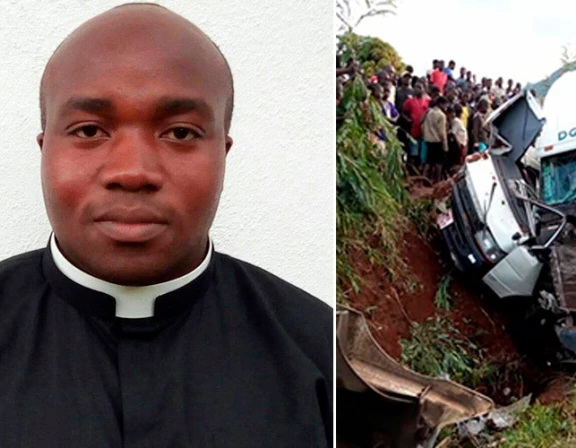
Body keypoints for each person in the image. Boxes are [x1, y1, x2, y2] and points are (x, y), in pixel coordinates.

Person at [0, 4, 332, 447]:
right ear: (46, 150)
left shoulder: (320, 352)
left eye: (179, 133)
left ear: (222, 153)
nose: (132, 172)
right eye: (89, 131)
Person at [403, 83, 431, 171]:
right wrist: (408, 120)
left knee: (422, 154)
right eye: (415, 88)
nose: (417, 90)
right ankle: (411, 171)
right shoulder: (409, 101)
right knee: (413, 153)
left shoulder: (428, 101)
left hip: (424, 132)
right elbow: (404, 113)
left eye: (419, 88)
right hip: (413, 130)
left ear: (423, 89)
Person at [422, 96, 449, 183]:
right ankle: (437, 181)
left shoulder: (429, 112)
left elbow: (423, 124)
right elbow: (442, 132)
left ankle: (423, 178)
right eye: (445, 105)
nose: (446, 107)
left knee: (429, 161)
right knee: (439, 163)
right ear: (440, 104)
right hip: (437, 141)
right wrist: (445, 146)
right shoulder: (441, 115)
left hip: (428, 140)